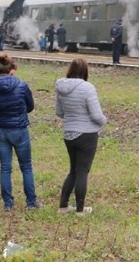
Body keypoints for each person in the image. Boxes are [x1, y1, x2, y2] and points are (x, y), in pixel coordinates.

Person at [0, 54, 39, 211]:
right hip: (19, 129)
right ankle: (31, 202)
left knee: (5, 167)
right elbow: (30, 106)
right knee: (26, 166)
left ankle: (8, 204)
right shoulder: (22, 86)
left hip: (0, 129)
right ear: (12, 71)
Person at [55, 59, 107, 215]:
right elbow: (96, 115)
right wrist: (105, 120)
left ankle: (63, 206)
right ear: (85, 71)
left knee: (73, 170)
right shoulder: (88, 88)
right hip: (87, 134)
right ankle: (80, 210)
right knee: (82, 171)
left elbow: (59, 112)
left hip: (69, 134)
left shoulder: (60, 87)